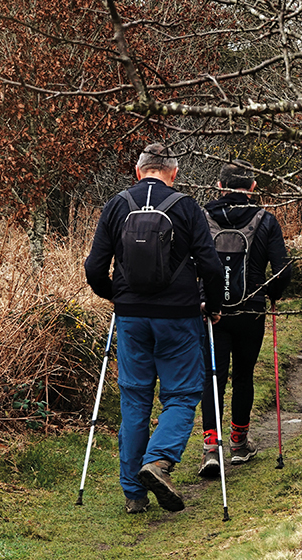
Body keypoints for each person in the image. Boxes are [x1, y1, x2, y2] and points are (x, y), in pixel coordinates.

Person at [84, 143, 224, 514]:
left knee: (134, 399)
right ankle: (158, 461)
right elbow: (210, 266)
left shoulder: (117, 204)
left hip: (131, 316)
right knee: (181, 394)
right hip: (178, 315)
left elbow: (94, 267)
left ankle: (134, 494)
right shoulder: (186, 207)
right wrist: (213, 305)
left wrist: (116, 295)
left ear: (138, 170)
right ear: (173, 173)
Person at [197, 160, 292, 479]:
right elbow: (281, 269)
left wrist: (199, 296)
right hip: (251, 309)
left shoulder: (203, 216)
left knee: (213, 377)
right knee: (244, 375)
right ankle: (239, 444)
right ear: (252, 187)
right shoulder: (266, 220)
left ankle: (212, 448)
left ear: (220, 186)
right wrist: (273, 294)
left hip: (212, 311)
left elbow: (188, 261)